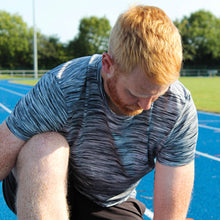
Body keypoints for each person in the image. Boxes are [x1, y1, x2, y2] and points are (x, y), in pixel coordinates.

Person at [0, 5, 198, 220]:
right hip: (42, 179)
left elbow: (169, 212)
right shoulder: (63, 86)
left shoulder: (178, 108)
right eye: (135, 94)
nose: (147, 106)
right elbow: (4, 148)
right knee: (45, 145)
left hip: (109, 199)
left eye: (157, 94)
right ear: (107, 65)